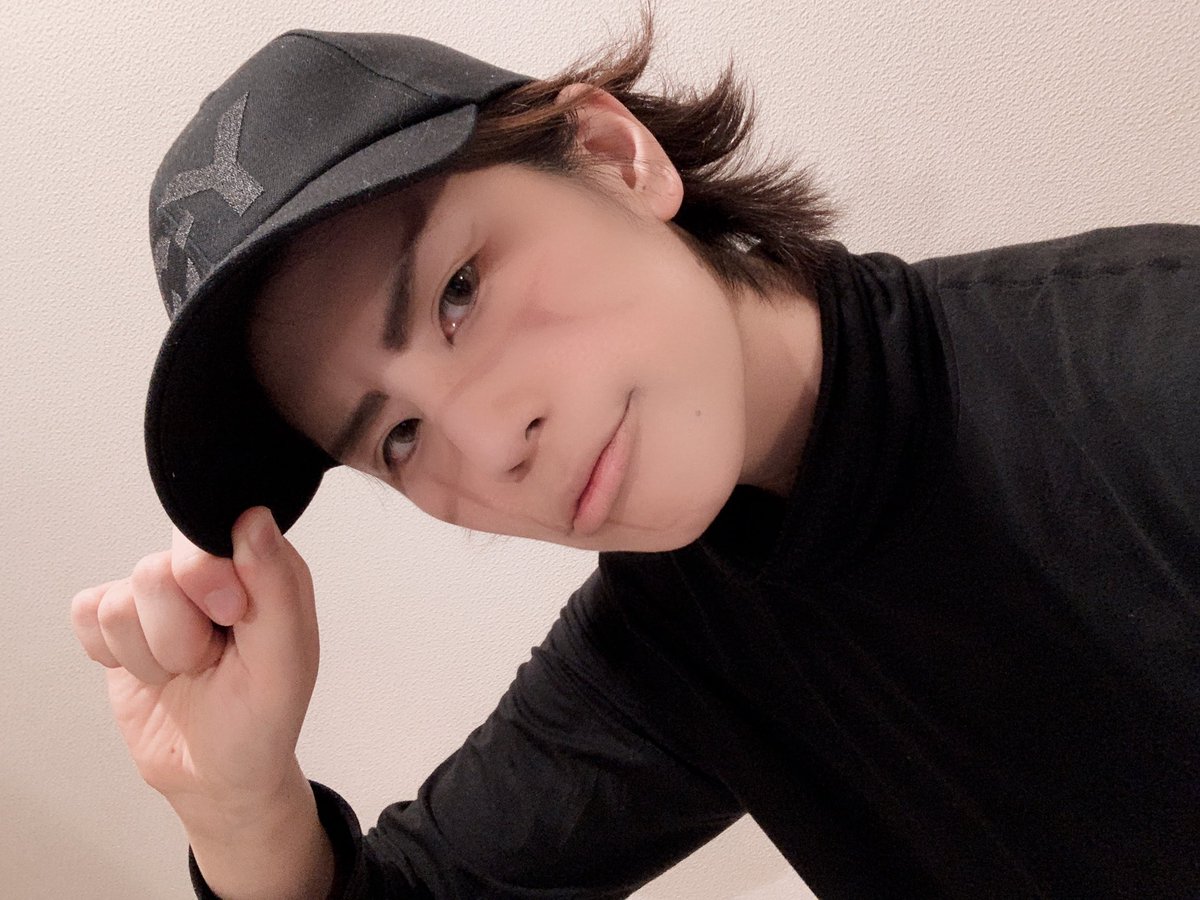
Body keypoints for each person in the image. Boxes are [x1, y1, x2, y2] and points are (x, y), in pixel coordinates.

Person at [70, 19, 1200, 900]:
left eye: (460, 291)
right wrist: (243, 812)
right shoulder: (670, 636)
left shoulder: (1155, 365)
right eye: (397, 436)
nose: (490, 445)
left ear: (617, 159)